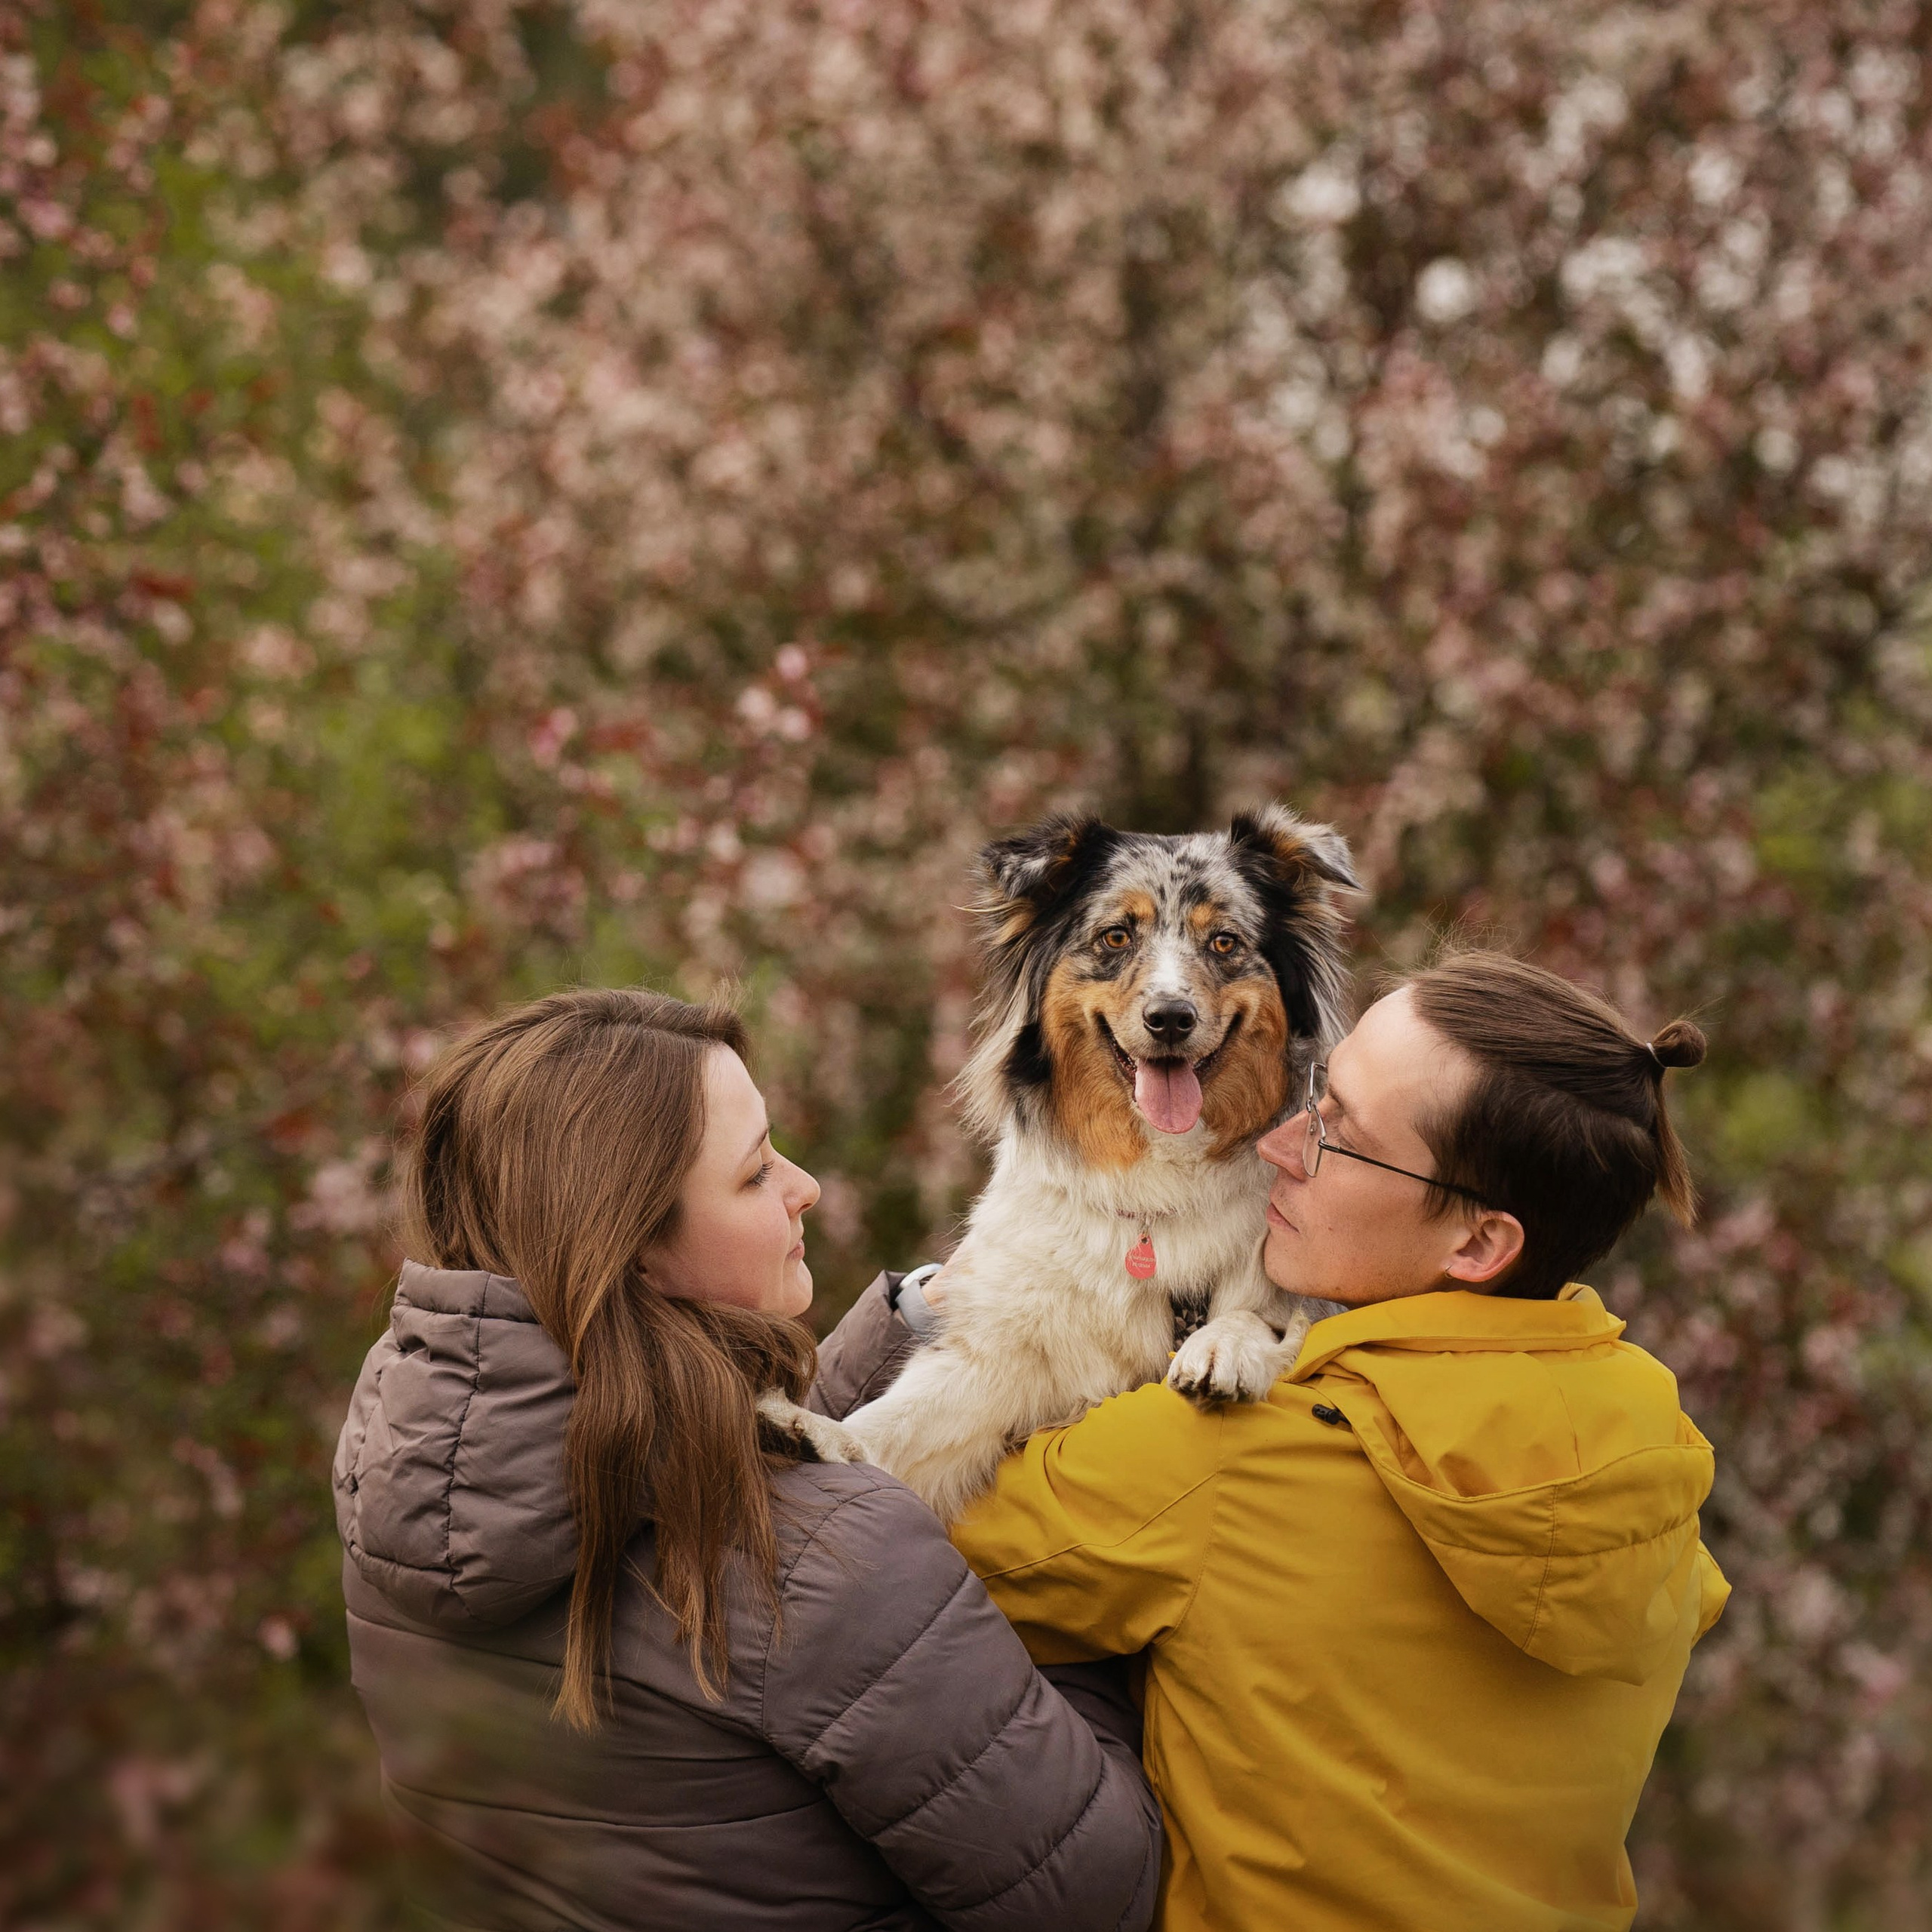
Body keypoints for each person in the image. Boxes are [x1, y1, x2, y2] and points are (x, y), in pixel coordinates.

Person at [825, 949, 1731, 1932]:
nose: (1276, 1145)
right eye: (1314, 1096)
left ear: (1478, 1242)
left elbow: (848, 1546)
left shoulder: (1232, 1457)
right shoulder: (1650, 1453)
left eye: (1340, 1137)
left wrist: (943, 1300)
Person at [333, 988, 1161, 1932]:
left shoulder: (406, 1472)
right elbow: (1103, 1895)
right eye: (756, 1171)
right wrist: (1065, 1618)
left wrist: (918, 1324)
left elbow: (699, 1495)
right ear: (634, 1249)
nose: (803, 1185)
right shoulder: (834, 1569)